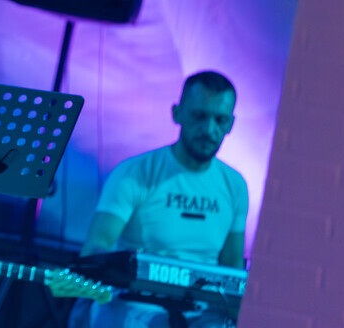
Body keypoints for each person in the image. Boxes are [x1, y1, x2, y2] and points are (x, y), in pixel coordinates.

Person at [72, 71, 248, 328]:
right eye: (199, 116)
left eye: (220, 120)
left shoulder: (235, 185)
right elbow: (97, 246)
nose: (209, 129)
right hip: (135, 304)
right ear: (177, 113)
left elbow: (232, 265)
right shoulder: (135, 173)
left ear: (230, 124)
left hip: (202, 312)